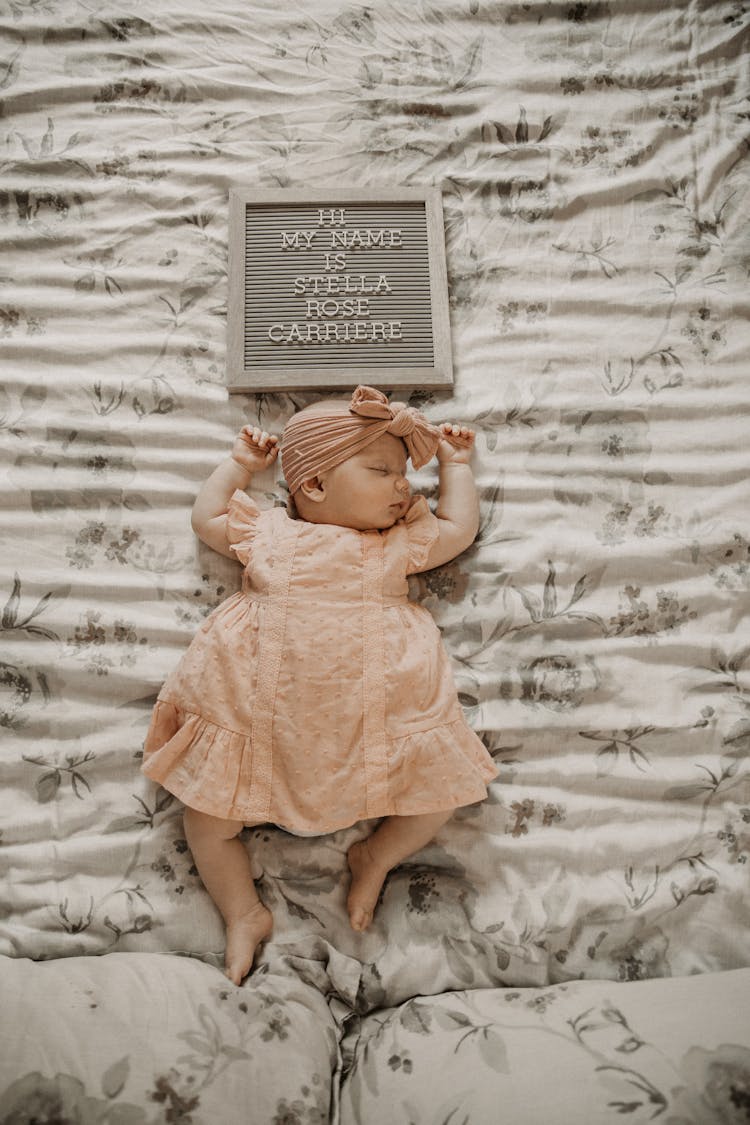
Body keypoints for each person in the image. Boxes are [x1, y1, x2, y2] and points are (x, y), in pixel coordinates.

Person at [142, 385, 497, 984]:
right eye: (381, 470)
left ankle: (374, 855)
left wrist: (456, 467)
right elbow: (206, 518)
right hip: (259, 721)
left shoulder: (396, 542)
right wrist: (240, 466)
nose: (403, 486)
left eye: (403, 474)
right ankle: (243, 912)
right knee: (204, 818)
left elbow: (457, 529)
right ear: (313, 486)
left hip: (371, 720)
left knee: (445, 793)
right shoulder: (268, 534)